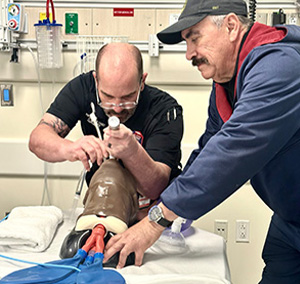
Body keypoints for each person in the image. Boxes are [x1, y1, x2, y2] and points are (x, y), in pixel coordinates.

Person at [103, 0, 300, 283]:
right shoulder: (226, 81)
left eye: (195, 38)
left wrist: (157, 220)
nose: (189, 54)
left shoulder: (280, 68)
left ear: (231, 26)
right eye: (186, 43)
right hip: (288, 218)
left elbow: (232, 151)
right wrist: (166, 197)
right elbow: (211, 145)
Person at [29, 42, 183, 220]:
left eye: (127, 97)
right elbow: (37, 140)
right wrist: (69, 148)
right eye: (108, 96)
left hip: (151, 218)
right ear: (96, 80)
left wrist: (132, 151)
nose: (117, 108)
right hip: (105, 210)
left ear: (142, 82)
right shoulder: (82, 89)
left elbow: (156, 186)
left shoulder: (164, 110)